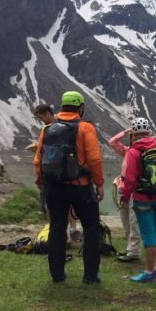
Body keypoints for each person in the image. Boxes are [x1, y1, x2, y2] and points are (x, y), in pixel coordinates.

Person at [33, 91, 104, 284]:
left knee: (57, 228)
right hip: (80, 186)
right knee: (90, 228)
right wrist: (99, 184)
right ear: (80, 108)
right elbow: (94, 159)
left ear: (62, 107)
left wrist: (41, 183)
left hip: (54, 188)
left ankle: (57, 274)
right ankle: (90, 275)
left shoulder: (47, 129)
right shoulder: (85, 128)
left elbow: (38, 160)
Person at [119, 117, 156, 282]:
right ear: (149, 132)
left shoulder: (134, 152)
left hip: (142, 197)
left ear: (134, 134)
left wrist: (124, 196)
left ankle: (149, 272)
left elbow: (129, 179)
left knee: (148, 235)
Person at [32, 104, 82, 243]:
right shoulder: (67, 126)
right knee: (68, 203)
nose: (41, 120)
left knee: (51, 204)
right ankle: (72, 230)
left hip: (50, 174)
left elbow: (39, 156)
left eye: (41, 117)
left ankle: (56, 232)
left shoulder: (47, 130)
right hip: (67, 173)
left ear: (48, 114)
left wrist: (39, 179)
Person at [108, 126, 141, 263]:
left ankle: (134, 251)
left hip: (135, 190)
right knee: (126, 221)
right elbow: (112, 142)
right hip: (123, 188)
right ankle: (130, 248)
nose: (135, 138)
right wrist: (125, 132)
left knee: (134, 221)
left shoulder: (142, 153)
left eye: (138, 136)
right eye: (133, 136)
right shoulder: (127, 151)